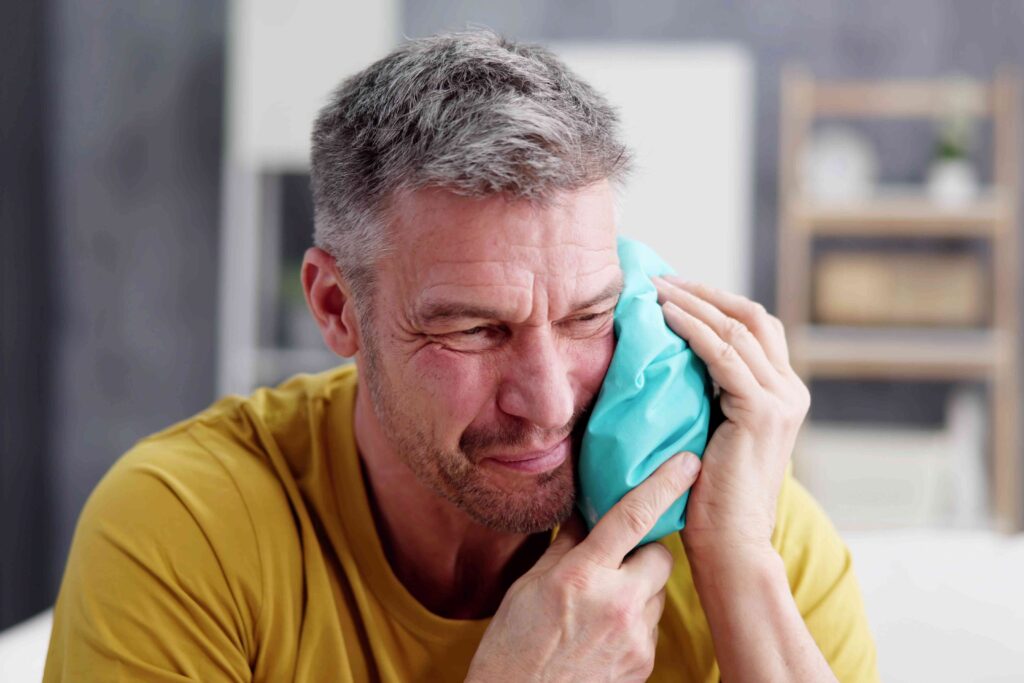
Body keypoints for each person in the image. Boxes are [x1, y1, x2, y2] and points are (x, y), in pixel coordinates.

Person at [44, 29, 878, 682]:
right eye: (476, 330)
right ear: (338, 306)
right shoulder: (185, 529)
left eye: (590, 315)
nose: (548, 402)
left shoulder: (737, 515)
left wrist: (738, 570)